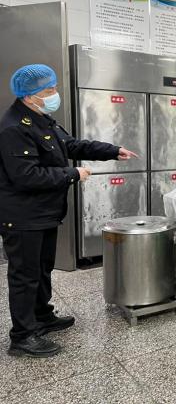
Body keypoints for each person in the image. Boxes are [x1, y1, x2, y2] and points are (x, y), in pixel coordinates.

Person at [0, 64, 137, 358]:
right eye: (49, 90)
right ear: (29, 95)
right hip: (23, 216)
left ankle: (41, 316)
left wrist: (112, 150)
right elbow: (26, 176)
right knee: (25, 275)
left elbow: (71, 145)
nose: (55, 94)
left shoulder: (41, 119)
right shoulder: (14, 127)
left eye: (53, 87)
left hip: (43, 213)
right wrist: (72, 174)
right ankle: (22, 336)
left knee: (42, 268)